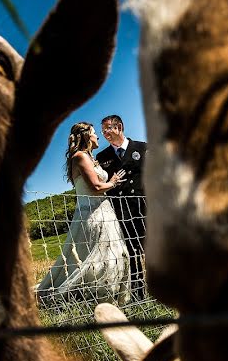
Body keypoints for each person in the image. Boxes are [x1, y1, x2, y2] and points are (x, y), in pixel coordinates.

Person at [36, 122, 131, 306]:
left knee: (110, 255)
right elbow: (95, 187)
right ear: (87, 136)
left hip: (103, 211)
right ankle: (101, 299)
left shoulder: (88, 158)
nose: (98, 137)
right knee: (99, 258)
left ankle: (104, 297)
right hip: (94, 213)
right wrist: (113, 182)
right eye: (95, 133)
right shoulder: (80, 157)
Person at [96, 114, 147, 300]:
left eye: (108, 128)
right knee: (132, 253)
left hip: (145, 206)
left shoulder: (142, 148)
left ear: (119, 127)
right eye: (102, 130)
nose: (105, 133)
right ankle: (138, 293)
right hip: (121, 210)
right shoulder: (102, 157)